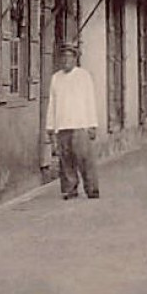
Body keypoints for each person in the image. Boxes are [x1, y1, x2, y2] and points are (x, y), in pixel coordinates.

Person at [45, 43, 99, 200]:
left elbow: (90, 101)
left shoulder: (84, 76)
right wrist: (50, 126)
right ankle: (70, 189)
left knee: (84, 158)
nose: (66, 60)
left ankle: (92, 188)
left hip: (80, 124)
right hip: (62, 125)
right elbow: (52, 103)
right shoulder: (56, 78)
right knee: (65, 159)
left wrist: (92, 124)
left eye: (69, 57)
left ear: (75, 58)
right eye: (63, 57)